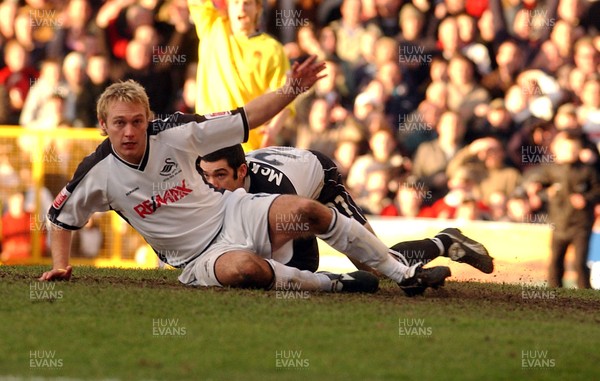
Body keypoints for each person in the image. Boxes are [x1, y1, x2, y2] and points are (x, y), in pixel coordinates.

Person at [39, 61, 486, 297]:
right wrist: (60, 264)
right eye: (120, 124)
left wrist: (292, 89)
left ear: (149, 118)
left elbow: (245, 115)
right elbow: (60, 216)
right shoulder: (97, 172)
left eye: (137, 121)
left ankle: (401, 274)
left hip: (249, 204)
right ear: (103, 124)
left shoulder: (176, 131)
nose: (130, 131)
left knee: (311, 215)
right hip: (197, 258)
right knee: (247, 269)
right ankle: (333, 284)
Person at [198, 144, 494, 277]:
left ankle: (446, 240)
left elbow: (306, 262)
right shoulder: (208, 185)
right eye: (206, 176)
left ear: (241, 171)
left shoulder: (277, 194)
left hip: (319, 180)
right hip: (290, 166)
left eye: (220, 176)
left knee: (377, 265)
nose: (212, 185)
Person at [188, 0, 292, 150]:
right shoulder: (212, 26)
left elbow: (286, 95)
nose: (241, 8)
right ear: (227, 7)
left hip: (248, 148)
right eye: (235, 2)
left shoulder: (273, 48)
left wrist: (273, 130)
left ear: (258, 8)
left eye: (247, 3)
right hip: (207, 142)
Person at [528, 131, 600, 288]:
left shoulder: (588, 170)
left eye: (574, 150)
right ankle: (555, 292)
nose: (570, 153)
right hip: (559, 223)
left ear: (579, 150)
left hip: (581, 225)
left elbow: (597, 191)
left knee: (579, 262)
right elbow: (537, 186)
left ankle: (584, 294)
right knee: (555, 261)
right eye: (566, 150)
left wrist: (586, 199)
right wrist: (544, 193)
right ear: (557, 151)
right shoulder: (551, 169)